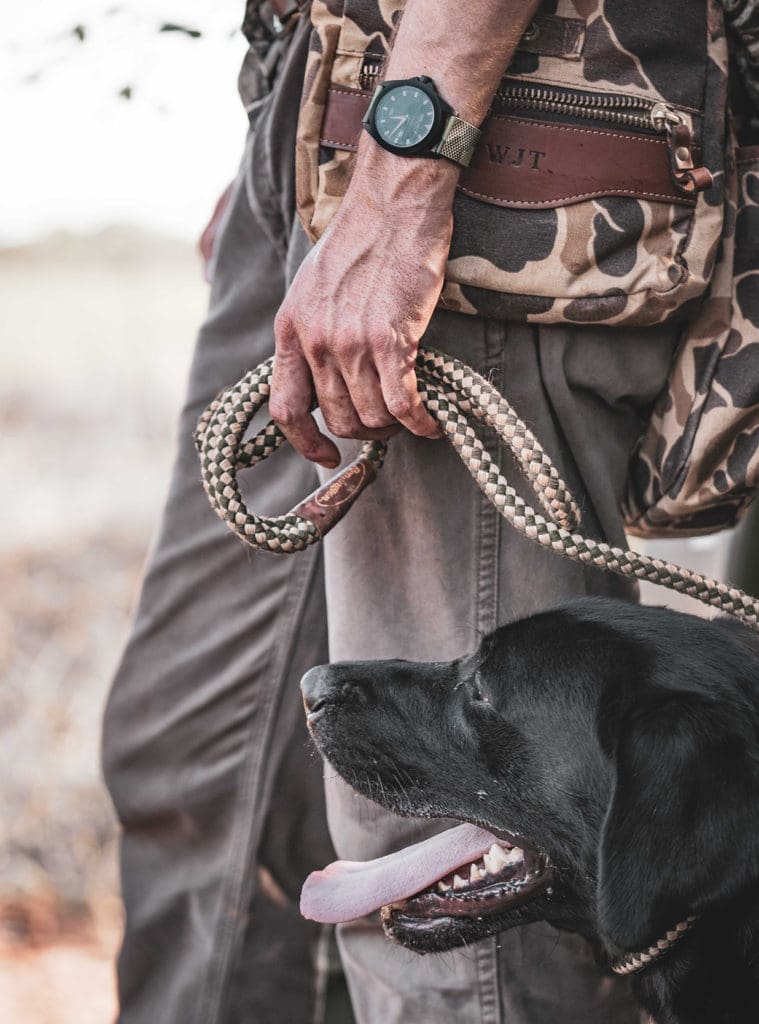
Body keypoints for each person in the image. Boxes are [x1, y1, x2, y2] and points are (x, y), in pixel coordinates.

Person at [102, 1, 683, 1021]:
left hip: (501, 152)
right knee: (197, 765)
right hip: (328, 129)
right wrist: (289, 146)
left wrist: (403, 174)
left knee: (461, 877)